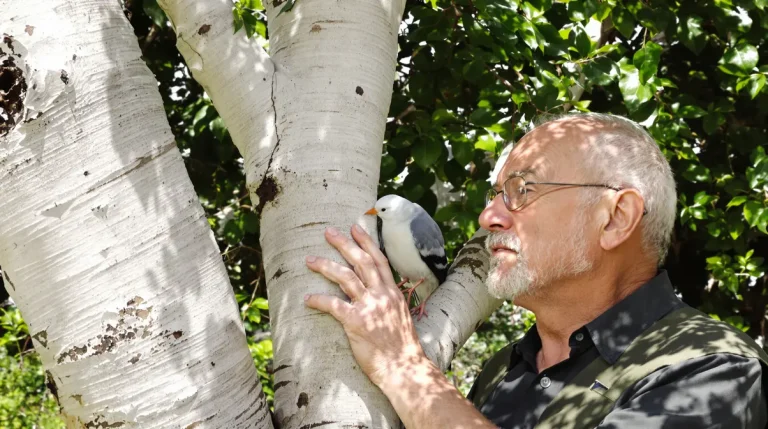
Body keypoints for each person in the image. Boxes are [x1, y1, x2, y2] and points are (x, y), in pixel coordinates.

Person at [303, 113, 768, 428]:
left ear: (616, 218)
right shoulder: (504, 370)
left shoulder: (710, 368)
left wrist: (403, 368)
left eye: (522, 189)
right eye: (495, 193)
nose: (489, 217)